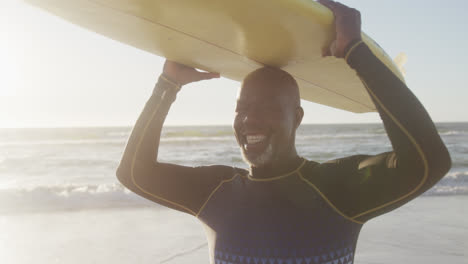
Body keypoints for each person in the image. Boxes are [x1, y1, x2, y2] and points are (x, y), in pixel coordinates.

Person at [116, 0, 451, 263]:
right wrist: (167, 85)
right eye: (241, 109)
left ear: (298, 117)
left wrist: (356, 53)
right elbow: (134, 173)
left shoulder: (336, 189)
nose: (250, 120)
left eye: (268, 108)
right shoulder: (215, 191)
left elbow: (428, 161)